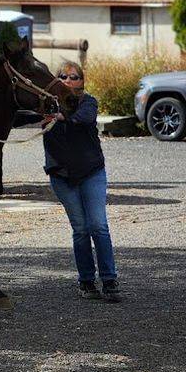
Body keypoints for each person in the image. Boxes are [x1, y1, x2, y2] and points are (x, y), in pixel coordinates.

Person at [42, 61, 121, 303]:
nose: (68, 80)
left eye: (73, 76)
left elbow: (85, 119)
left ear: (82, 81)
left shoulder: (88, 102)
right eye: (63, 76)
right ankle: (86, 280)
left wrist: (60, 117)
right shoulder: (45, 104)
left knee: (98, 226)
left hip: (91, 172)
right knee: (80, 228)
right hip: (62, 176)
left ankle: (109, 280)